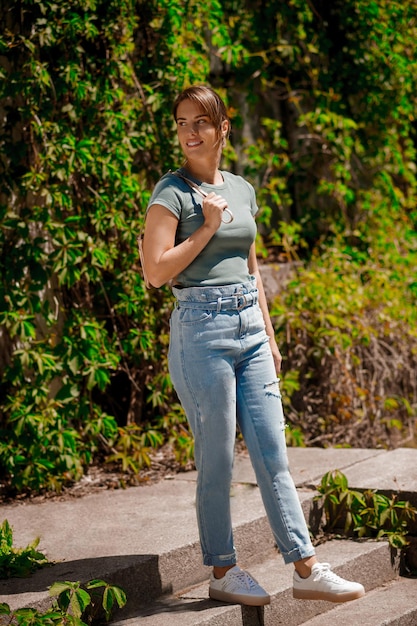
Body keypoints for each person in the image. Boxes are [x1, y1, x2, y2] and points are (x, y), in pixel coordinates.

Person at [142, 85, 365, 606]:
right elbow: (155, 272)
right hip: (201, 330)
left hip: (249, 326)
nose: (190, 131)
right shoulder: (170, 193)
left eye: (201, 122)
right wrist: (207, 227)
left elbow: (251, 264)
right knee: (217, 457)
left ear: (223, 129)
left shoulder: (241, 188)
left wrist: (268, 331)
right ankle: (222, 569)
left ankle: (306, 567)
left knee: (272, 452)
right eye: (181, 122)